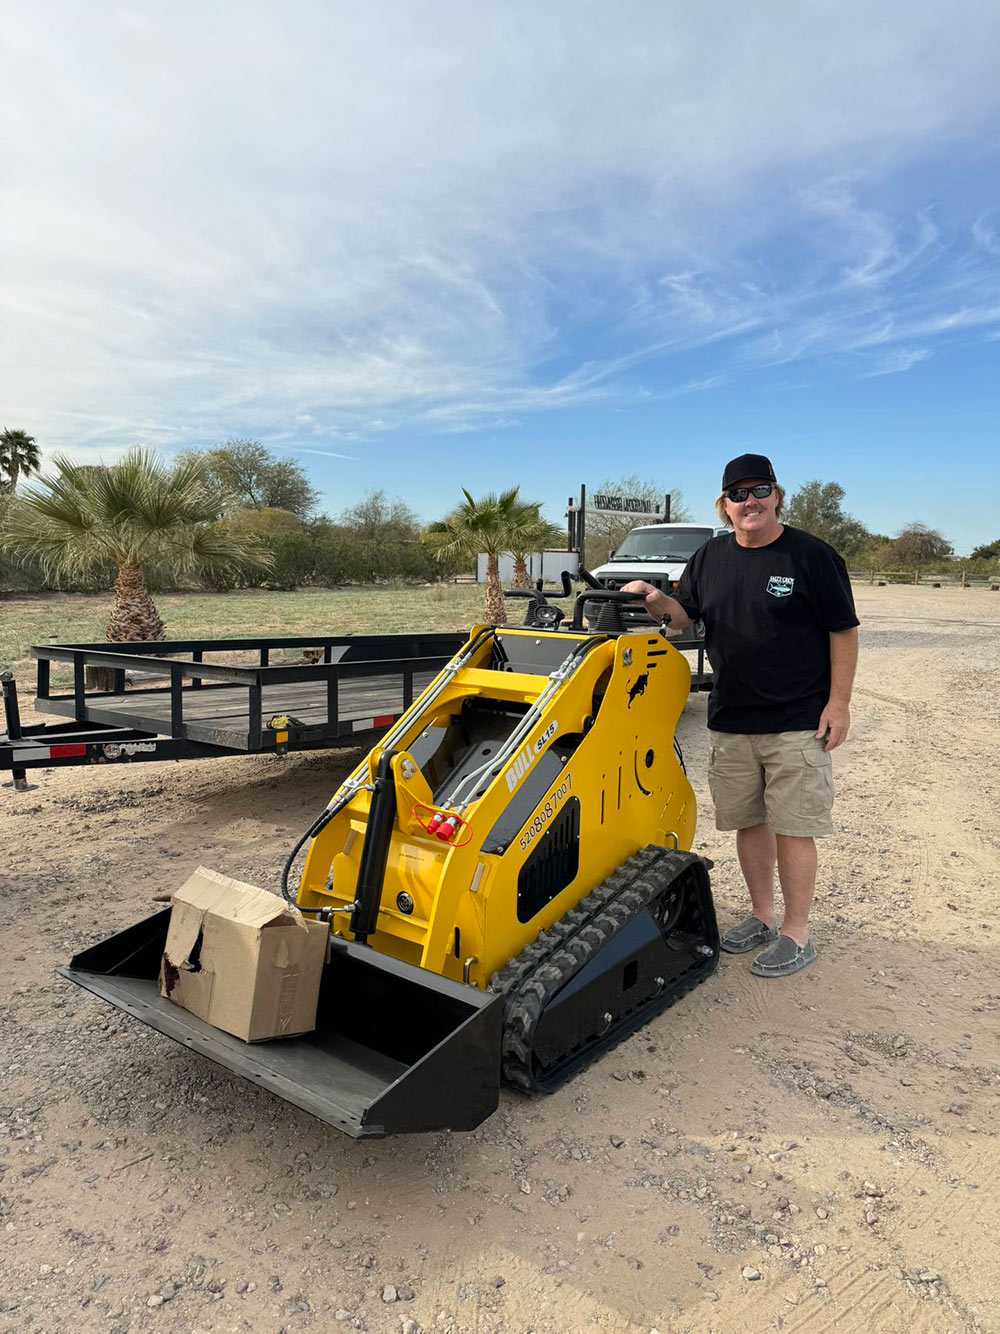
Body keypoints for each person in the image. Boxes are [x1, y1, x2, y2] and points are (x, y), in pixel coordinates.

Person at [622, 453, 859, 978]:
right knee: (749, 824)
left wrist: (838, 703)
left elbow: (843, 631)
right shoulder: (709, 557)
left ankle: (797, 933)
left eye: (759, 491)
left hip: (798, 719)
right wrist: (655, 598)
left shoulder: (812, 556)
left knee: (794, 828)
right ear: (724, 505)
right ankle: (762, 916)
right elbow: (685, 618)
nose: (749, 502)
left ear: (777, 496)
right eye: (738, 494)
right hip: (731, 718)